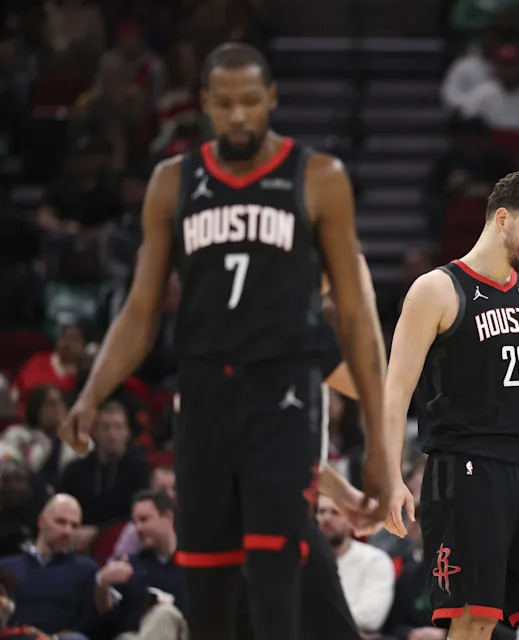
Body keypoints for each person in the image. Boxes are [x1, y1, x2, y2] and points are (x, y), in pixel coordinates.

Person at [58, 42, 387, 640]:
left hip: (282, 395)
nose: (239, 116)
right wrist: (91, 391)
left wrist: (381, 444)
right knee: (207, 592)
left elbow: (359, 318)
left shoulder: (318, 178)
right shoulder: (171, 182)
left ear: (272, 100)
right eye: (225, 104)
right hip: (204, 397)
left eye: (251, 102)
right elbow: (141, 309)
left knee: (274, 585)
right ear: (205, 104)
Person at [378, 171, 519, 640]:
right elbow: (394, 392)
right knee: (474, 623)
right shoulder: (435, 289)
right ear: (502, 219)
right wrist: (390, 477)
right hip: (467, 470)